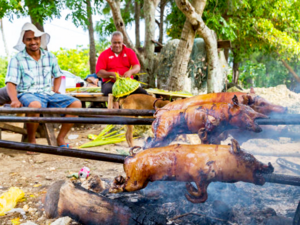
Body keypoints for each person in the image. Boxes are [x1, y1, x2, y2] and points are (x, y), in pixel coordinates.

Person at [5, 22, 82, 151]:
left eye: (35, 38)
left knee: (76, 104)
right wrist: (14, 100)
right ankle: (31, 141)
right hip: (28, 93)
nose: (33, 42)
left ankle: (61, 138)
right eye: (29, 39)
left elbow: (58, 75)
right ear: (24, 41)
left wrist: (56, 90)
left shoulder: (50, 56)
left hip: (48, 93)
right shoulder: (17, 59)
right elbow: (11, 83)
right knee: (35, 105)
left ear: (40, 39)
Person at [95, 31, 148, 108]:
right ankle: (115, 113)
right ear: (111, 42)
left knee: (143, 93)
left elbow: (137, 66)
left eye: (119, 43)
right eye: (114, 43)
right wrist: (112, 74)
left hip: (127, 83)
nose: (117, 45)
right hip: (110, 83)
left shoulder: (129, 52)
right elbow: (99, 72)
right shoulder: (104, 54)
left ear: (122, 42)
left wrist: (130, 72)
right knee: (110, 91)